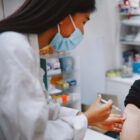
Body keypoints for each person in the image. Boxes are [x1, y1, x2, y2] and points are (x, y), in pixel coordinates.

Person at [0, 0, 125, 140]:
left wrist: (87, 118)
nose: (82, 32)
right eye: (83, 22)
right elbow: (30, 135)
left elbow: (44, 109)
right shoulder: (14, 48)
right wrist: (86, 118)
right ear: (64, 17)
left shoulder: (27, 49)